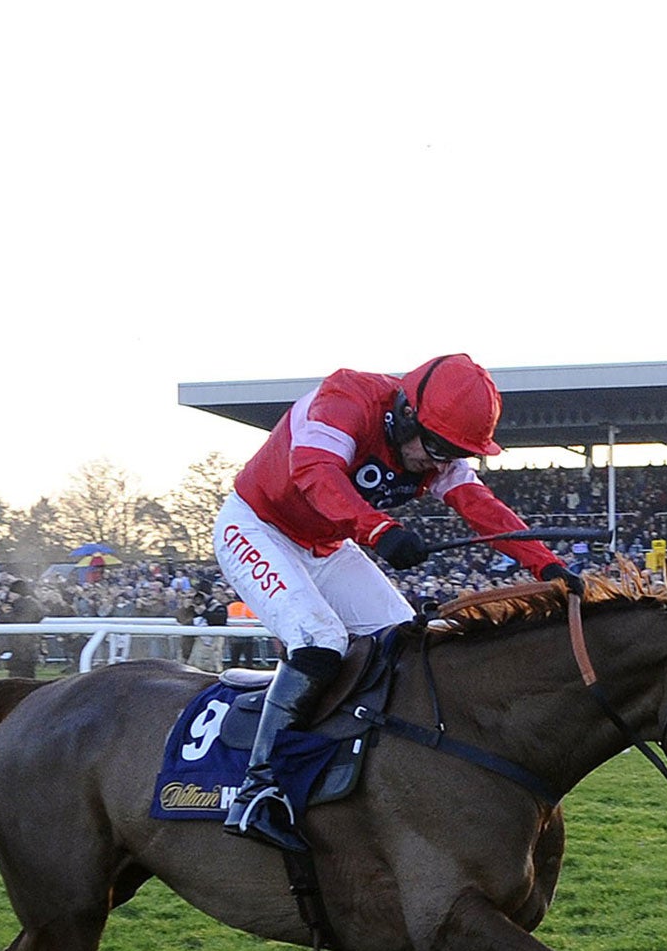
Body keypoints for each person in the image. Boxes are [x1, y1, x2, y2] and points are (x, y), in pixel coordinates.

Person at [212, 353, 569, 849]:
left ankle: (377, 770)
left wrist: (546, 566)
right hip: (255, 527)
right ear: (405, 413)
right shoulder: (346, 399)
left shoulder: (434, 439)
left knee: (406, 641)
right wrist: (380, 530)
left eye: (454, 453)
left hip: (327, 546)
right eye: (438, 448)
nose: (441, 462)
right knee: (321, 641)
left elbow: (481, 507)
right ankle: (261, 788)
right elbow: (315, 474)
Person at [0, 579, 43, 679]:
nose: (9, 595)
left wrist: (3, 614)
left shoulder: (23, 605)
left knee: (19, 677)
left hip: (21, 647)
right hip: (27, 647)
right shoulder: (32, 603)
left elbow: (15, 621)